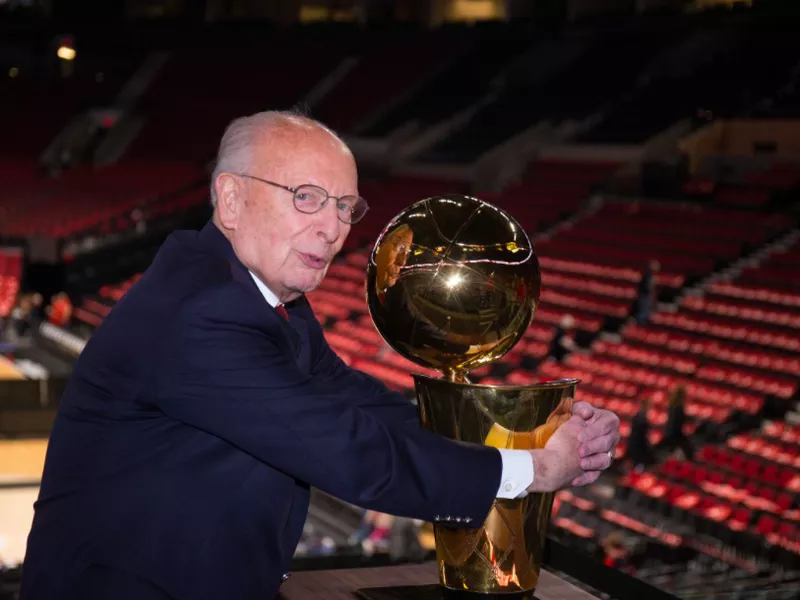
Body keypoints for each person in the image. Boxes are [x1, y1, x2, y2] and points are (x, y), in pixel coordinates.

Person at [20, 111, 620, 600]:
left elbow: (359, 403)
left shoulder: (257, 296)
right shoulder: (200, 313)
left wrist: (526, 434)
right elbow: (349, 451)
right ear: (229, 201)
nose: (333, 228)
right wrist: (530, 473)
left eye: (344, 206)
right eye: (306, 198)